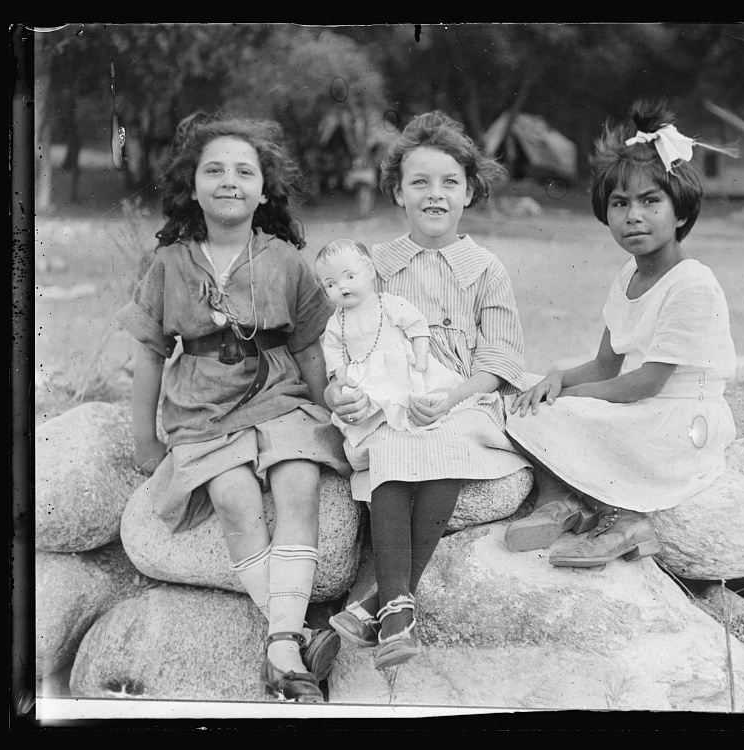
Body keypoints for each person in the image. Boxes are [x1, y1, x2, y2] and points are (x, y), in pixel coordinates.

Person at [115, 113, 351, 703]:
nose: (229, 180)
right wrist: (145, 442)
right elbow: (148, 356)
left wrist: (329, 414)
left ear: (264, 189)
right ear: (190, 185)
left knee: (299, 480)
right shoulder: (169, 263)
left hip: (278, 393)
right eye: (213, 169)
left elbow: (311, 351)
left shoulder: (285, 260)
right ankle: (290, 641)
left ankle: (280, 646)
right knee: (233, 497)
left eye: (245, 171)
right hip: (201, 408)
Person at [324, 111, 531, 670]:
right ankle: (396, 610)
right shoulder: (375, 268)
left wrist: (458, 395)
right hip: (391, 398)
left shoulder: (485, 268)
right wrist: (340, 391)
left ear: (469, 192)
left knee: (449, 443)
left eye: (449, 183)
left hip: (465, 397)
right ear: (397, 191)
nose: (434, 195)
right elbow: (344, 341)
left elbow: (500, 357)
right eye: (419, 183)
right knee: (393, 445)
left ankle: (386, 603)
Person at [504, 100, 738, 569]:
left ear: (680, 211)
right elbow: (605, 365)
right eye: (620, 203)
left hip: (683, 418)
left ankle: (625, 519)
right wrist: (556, 381)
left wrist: (571, 399)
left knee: (564, 412)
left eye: (651, 201)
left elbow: (645, 382)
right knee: (527, 402)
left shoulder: (692, 283)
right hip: (648, 406)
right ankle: (564, 501)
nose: (634, 215)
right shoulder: (627, 277)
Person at [314, 238, 475, 447]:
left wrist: (421, 356)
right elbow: (334, 355)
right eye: (331, 284)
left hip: (402, 367)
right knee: (365, 413)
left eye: (350, 276)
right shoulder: (336, 322)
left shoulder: (389, 303)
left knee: (422, 399)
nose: (342, 286)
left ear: (370, 271)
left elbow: (417, 326)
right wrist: (342, 379)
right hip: (366, 376)